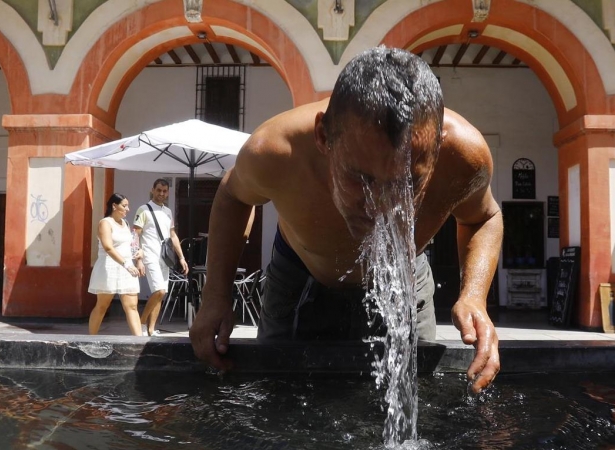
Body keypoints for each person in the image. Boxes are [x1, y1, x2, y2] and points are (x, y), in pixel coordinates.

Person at [190, 47, 503, 393]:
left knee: (420, 394)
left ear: (439, 147)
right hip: (299, 276)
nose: (381, 208)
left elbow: (484, 216)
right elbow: (233, 196)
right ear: (324, 137)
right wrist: (216, 295)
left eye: (406, 183)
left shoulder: (465, 157)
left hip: (406, 275)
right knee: (278, 399)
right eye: (362, 179)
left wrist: (474, 296)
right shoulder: (275, 151)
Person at [134, 179, 189, 336]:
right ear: (152, 190)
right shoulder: (143, 210)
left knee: (161, 293)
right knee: (159, 291)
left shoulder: (168, 212)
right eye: (159, 190)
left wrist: (182, 257)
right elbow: (135, 234)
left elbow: (173, 235)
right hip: (149, 255)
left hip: (164, 257)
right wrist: (138, 258)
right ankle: (141, 323)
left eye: (164, 191)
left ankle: (151, 329)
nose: (161, 193)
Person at [88, 193, 144, 336]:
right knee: (102, 306)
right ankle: (90, 340)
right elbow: (108, 247)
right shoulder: (105, 223)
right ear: (114, 206)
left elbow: (130, 244)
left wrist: (138, 254)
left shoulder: (125, 223)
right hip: (109, 267)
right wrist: (126, 264)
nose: (128, 209)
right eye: (124, 206)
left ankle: (139, 342)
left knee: (132, 306)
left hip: (127, 268)